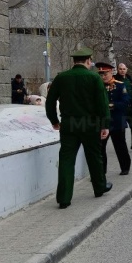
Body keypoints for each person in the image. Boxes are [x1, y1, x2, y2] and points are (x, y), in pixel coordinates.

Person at [45, 48, 112, 209]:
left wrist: (54, 120)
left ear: (74, 61)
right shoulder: (94, 77)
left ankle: (64, 198)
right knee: (94, 157)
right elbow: (102, 104)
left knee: (67, 160)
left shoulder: (62, 78)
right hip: (90, 124)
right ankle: (99, 187)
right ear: (88, 60)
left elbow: (50, 101)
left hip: (68, 124)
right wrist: (105, 125)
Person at [98, 61, 132, 176]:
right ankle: (101, 171)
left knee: (120, 146)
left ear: (111, 72)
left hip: (117, 120)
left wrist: (111, 105)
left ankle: (125, 167)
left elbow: (126, 102)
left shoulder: (120, 85)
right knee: (100, 148)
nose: (103, 76)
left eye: (105, 73)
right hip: (103, 122)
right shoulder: (98, 86)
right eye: (101, 74)